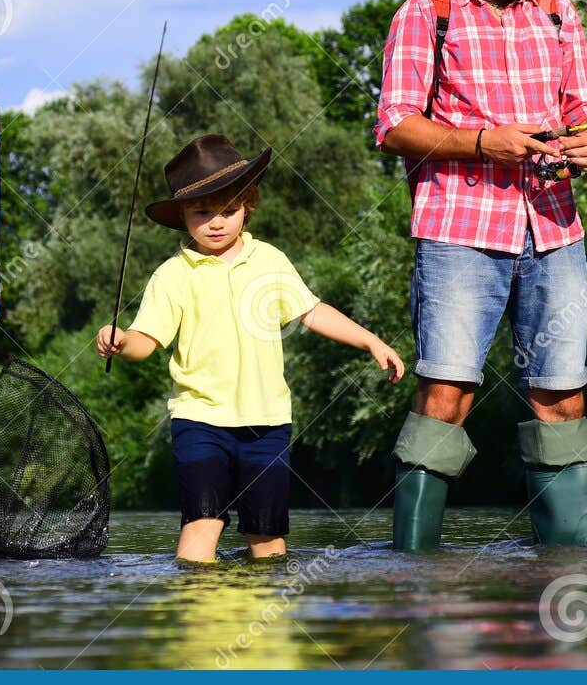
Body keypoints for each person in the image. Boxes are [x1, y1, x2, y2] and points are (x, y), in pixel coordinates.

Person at [375, 0, 587, 549]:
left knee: (562, 398)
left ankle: (567, 572)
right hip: (459, 230)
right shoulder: (426, 13)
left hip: (555, 231)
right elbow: (394, 125)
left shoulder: (558, 11)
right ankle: (414, 570)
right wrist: (484, 142)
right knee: (447, 396)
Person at [97, 134, 404, 561]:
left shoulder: (270, 261)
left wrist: (370, 340)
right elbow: (145, 343)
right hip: (199, 420)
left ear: (248, 206)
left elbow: (311, 312)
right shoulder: (171, 275)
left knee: (267, 539)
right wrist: (120, 340)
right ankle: (199, 616)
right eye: (203, 212)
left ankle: (264, 621)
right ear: (183, 215)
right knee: (201, 527)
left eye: (228, 210)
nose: (217, 221)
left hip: (267, 423)